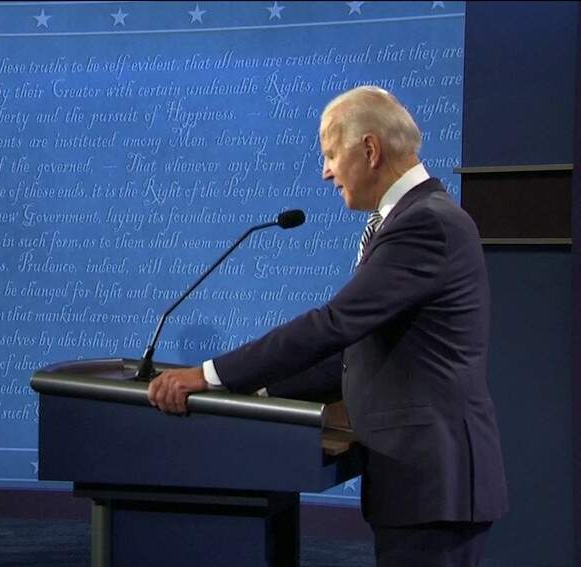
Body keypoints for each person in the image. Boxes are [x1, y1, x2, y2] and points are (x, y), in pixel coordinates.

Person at [147, 86, 507, 566]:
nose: (326, 171)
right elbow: (353, 353)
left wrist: (211, 375)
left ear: (370, 149)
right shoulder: (412, 219)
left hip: (435, 484)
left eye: (331, 154)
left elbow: (334, 324)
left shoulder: (425, 224)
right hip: (423, 484)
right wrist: (257, 394)